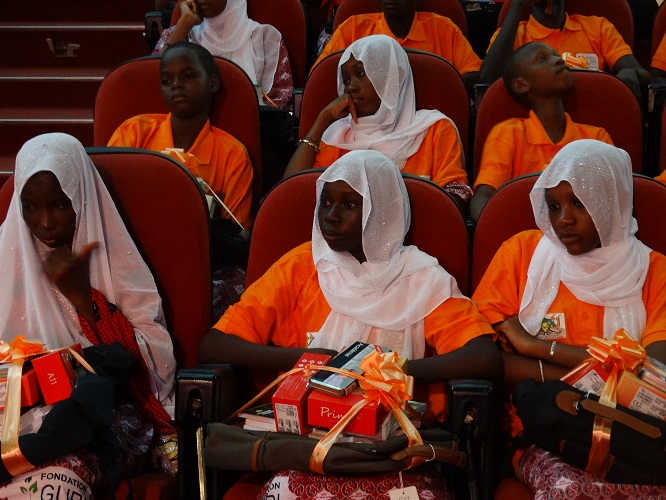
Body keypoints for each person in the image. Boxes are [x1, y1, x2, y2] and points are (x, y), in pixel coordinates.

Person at [200, 148, 501, 495]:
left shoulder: (421, 277)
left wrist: (387, 373)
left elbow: (484, 357)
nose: (330, 216)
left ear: (381, 212)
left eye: (348, 205)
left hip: (392, 450)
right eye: (325, 203)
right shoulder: (303, 266)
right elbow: (214, 344)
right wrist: (315, 363)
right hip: (307, 446)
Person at [472, 139, 666, 496]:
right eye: (554, 205)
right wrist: (600, 371)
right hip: (544, 433)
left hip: (630, 437)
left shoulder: (655, 272)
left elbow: (649, 382)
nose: (563, 220)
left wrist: (536, 348)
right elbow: (487, 359)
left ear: (611, 201)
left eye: (579, 203)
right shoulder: (522, 254)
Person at [0, 133, 177, 497]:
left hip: (102, 417)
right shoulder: (7, 263)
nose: (45, 222)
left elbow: (152, 366)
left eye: (59, 205)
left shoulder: (115, 261)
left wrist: (84, 299)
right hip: (17, 416)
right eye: (30, 207)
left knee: (51, 480)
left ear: (80, 197)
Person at [284, 34, 472, 209]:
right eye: (346, 80)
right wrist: (323, 119)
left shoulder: (435, 129)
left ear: (390, 78)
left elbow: (455, 195)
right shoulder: (338, 135)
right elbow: (291, 192)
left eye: (360, 74)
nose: (351, 87)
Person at [108, 41, 253, 230]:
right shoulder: (134, 132)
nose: (176, 85)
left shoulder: (233, 155)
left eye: (188, 76)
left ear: (213, 83)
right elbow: (106, 204)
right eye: (166, 81)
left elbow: (237, 236)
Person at [470, 42, 613, 221]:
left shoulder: (597, 138)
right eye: (542, 59)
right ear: (521, 84)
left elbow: (613, 204)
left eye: (556, 55)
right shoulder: (508, 133)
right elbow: (483, 197)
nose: (559, 60)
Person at [480, 0, 652, 98]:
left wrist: (632, 74)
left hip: (593, 127)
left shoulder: (598, 27)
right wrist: (517, 6)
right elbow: (488, 79)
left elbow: (641, 74)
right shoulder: (514, 35)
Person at [313, 0, 482, 92]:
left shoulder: (444, 29)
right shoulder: (352, 29)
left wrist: (418, 88)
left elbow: (475, 75)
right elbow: (319, 78)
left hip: (428, 120)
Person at [153, 0, 293, 110]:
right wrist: (182, 25)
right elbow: (150, 80)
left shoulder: (265, 38)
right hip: (191, 127)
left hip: (251, 127)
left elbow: (280, 100)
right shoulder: (181, 35)